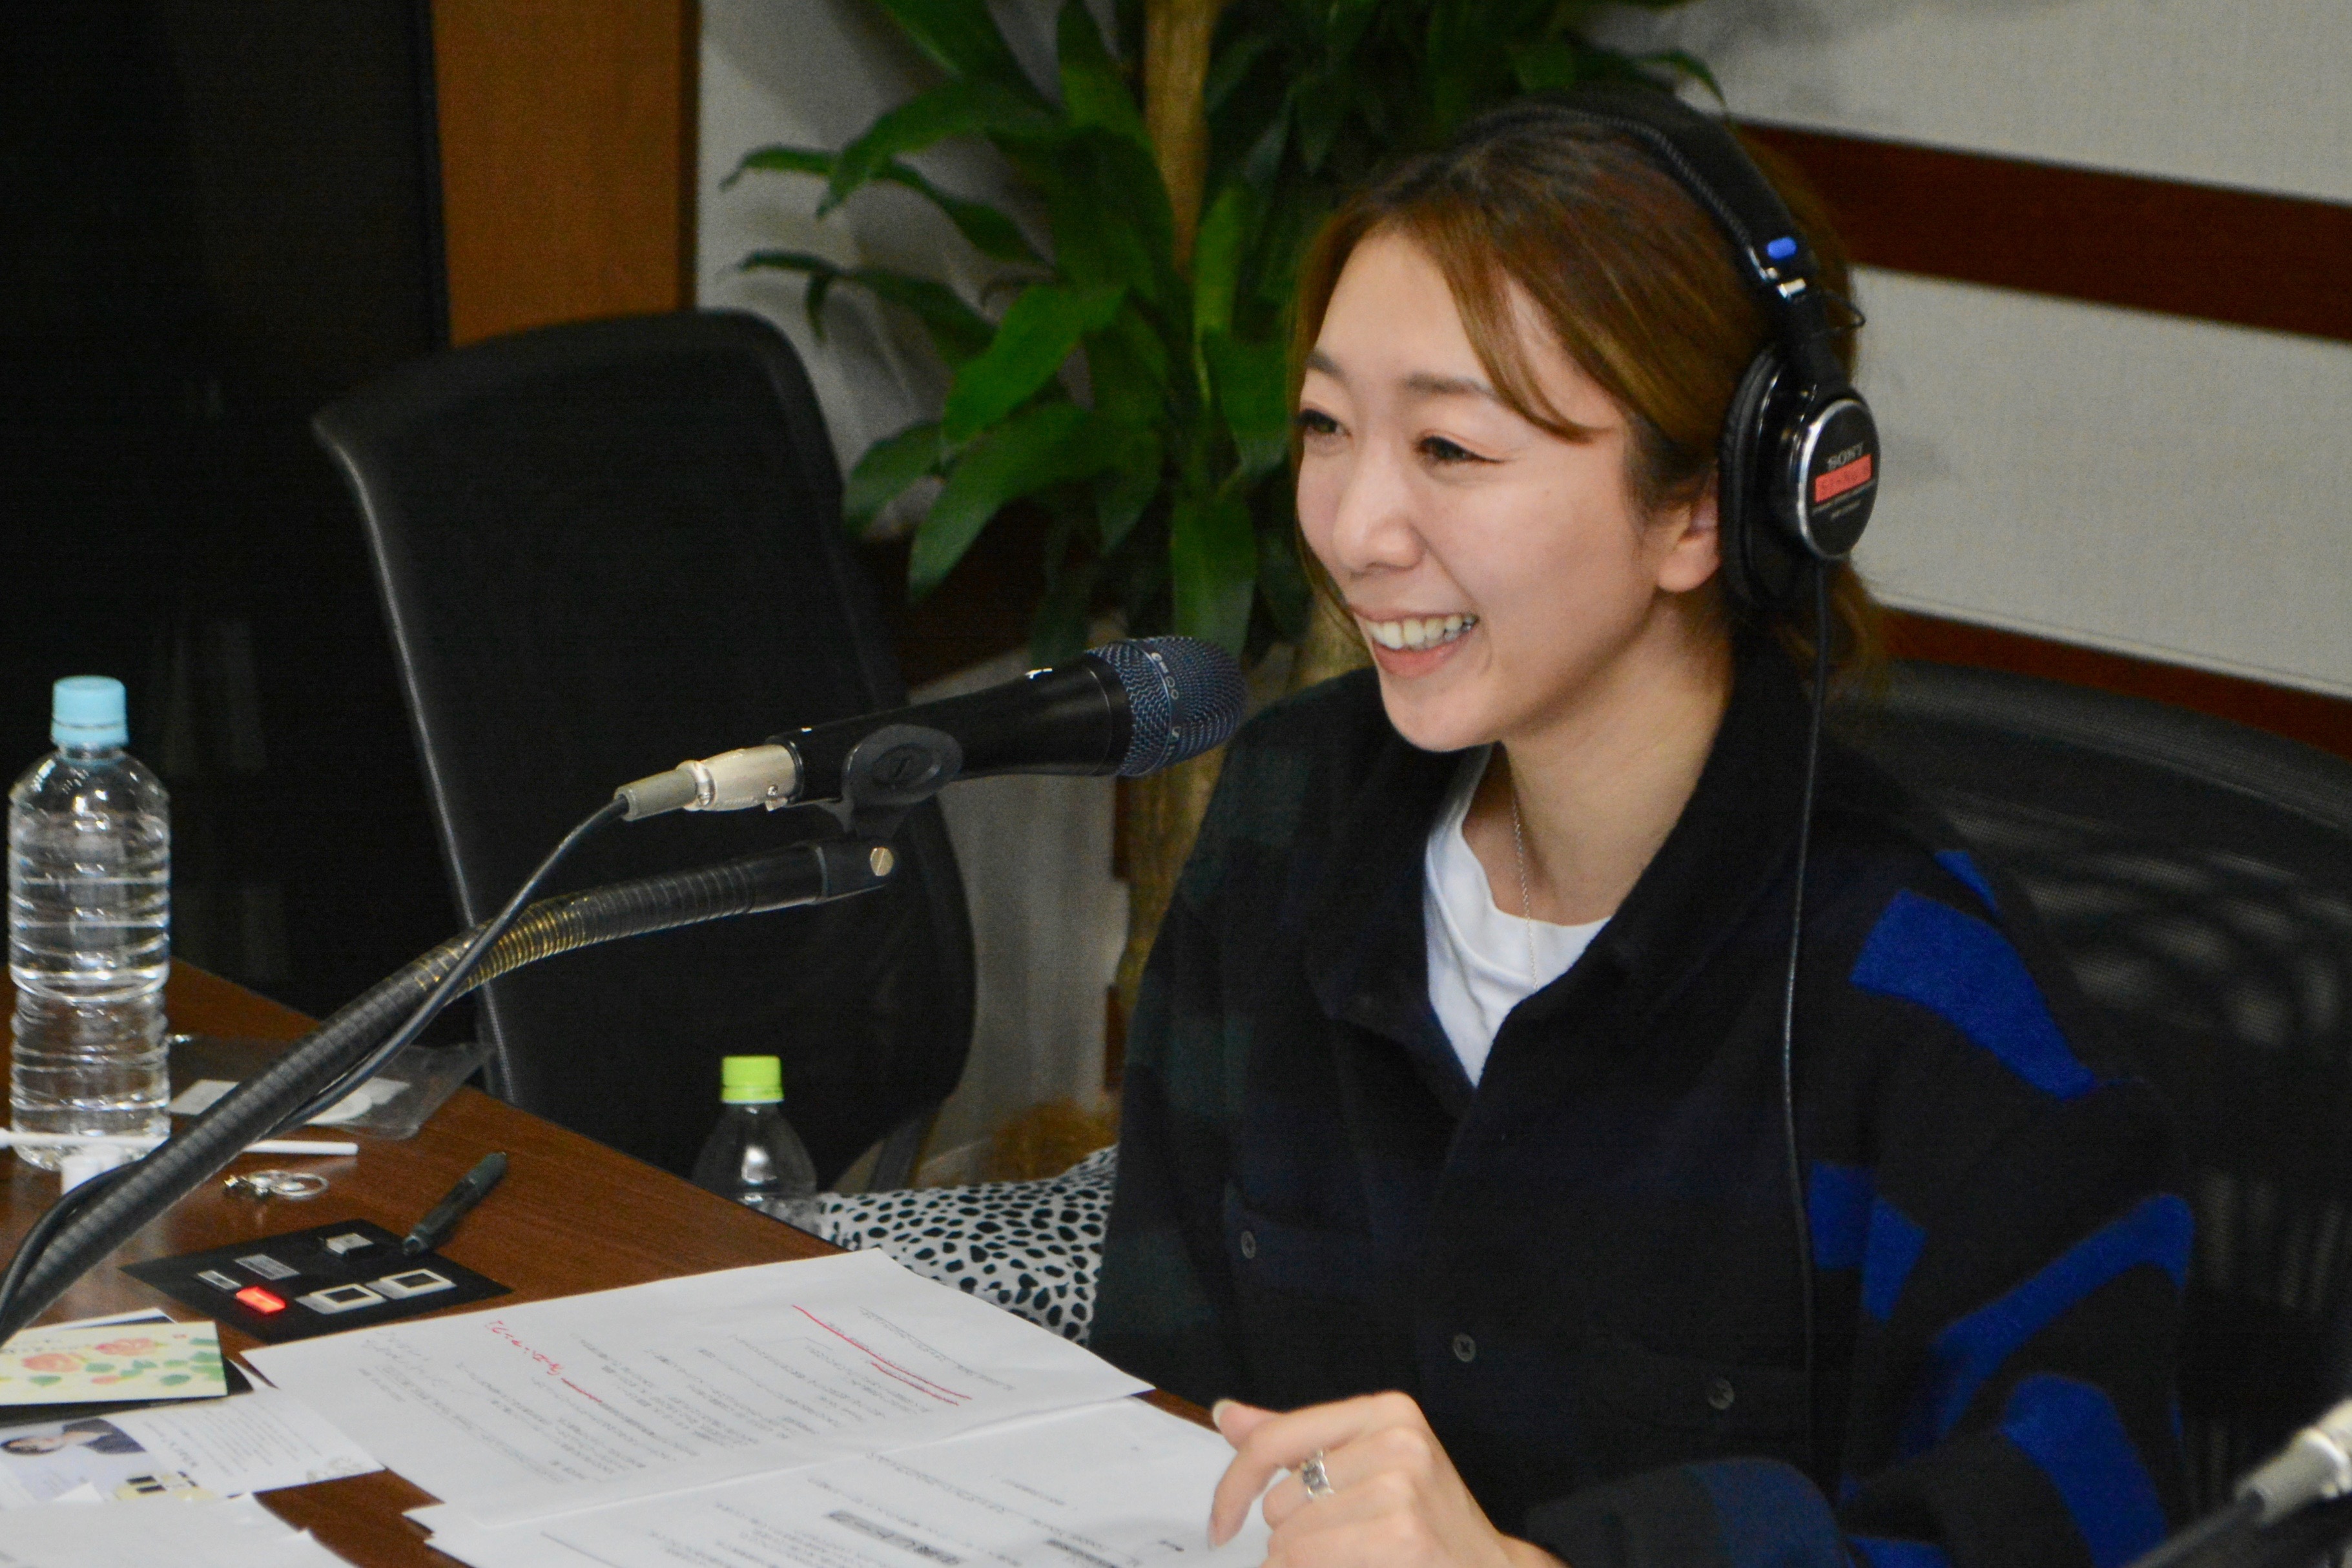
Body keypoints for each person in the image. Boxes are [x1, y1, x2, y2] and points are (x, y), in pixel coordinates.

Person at [1091, 92, 2187, 1568]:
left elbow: (2090, 1531)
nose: (1353, 530)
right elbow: (1155, 1401)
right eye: (1326, 427)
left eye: (1450, 448)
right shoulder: (1292, 816)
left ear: (1704, 510)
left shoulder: (1927, 992)